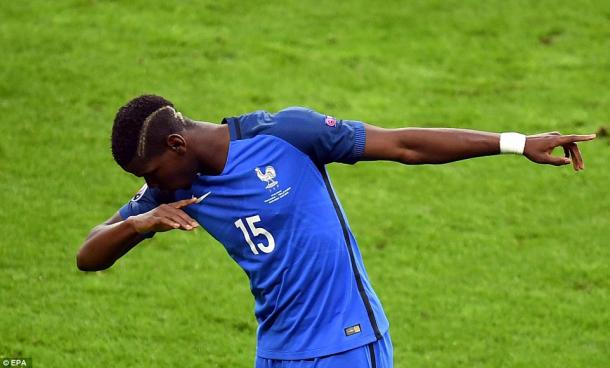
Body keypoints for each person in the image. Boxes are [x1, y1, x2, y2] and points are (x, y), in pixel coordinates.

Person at [77, 95, 595, 368]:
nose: (151, 186)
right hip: (276, 350)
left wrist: (514, 142)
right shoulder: (170, 191)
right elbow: (88, 255)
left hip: (346, 344)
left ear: (176, 144)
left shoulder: (284, 135)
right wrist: (141, 223)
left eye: (149, 174)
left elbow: (403, 145)